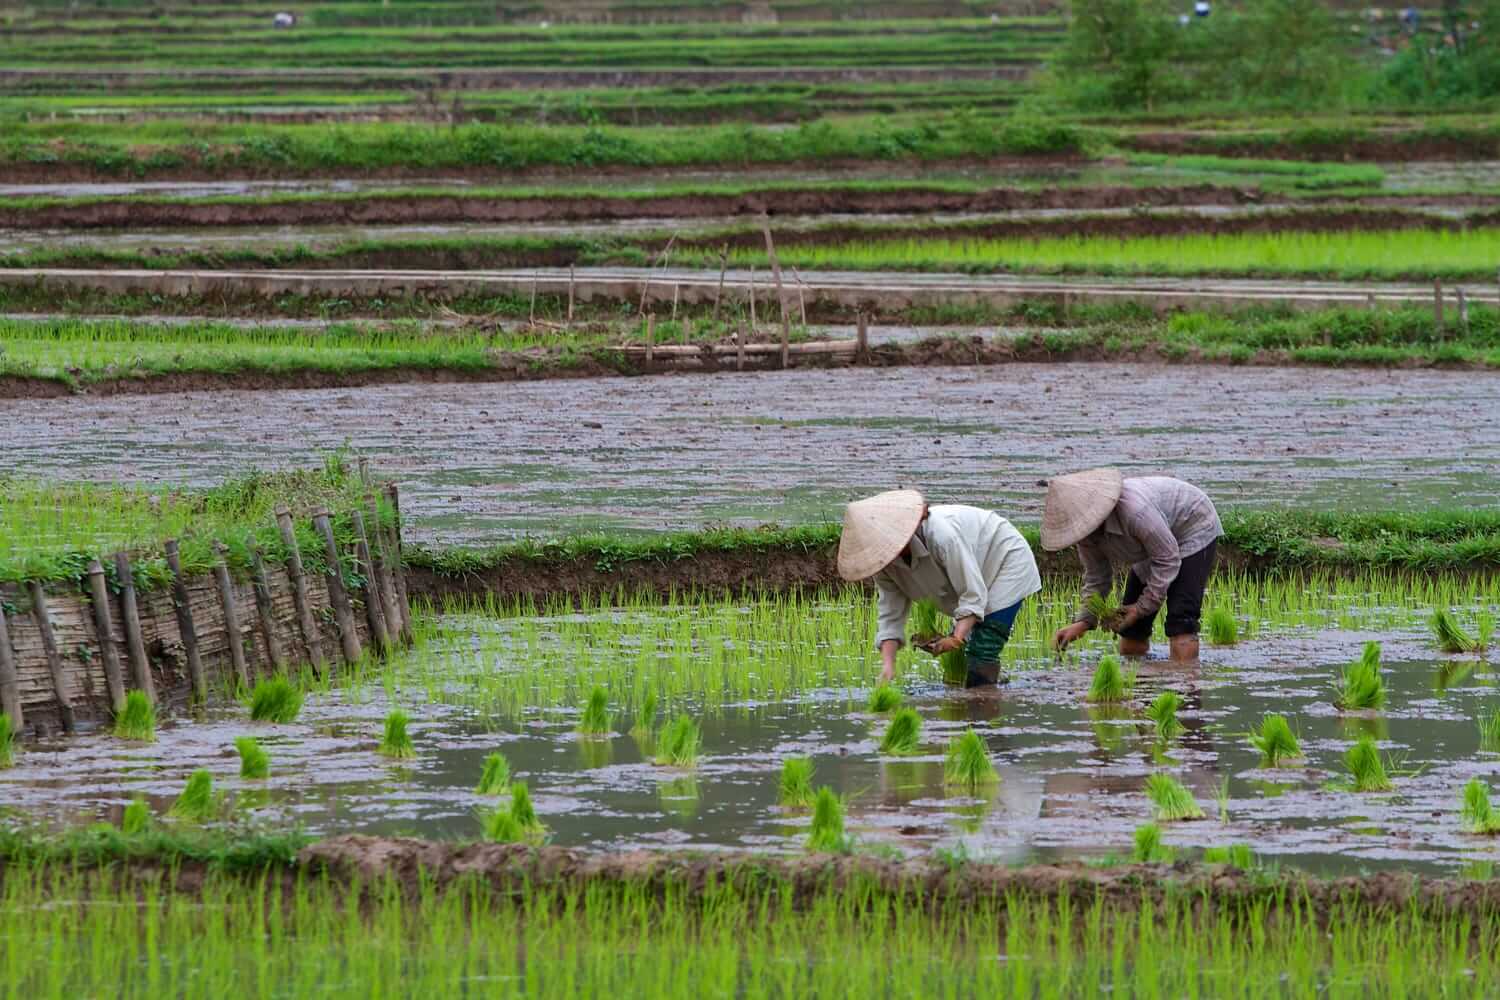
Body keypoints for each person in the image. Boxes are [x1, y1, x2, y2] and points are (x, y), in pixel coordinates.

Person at [837, 490, 1041, 687]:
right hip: (975, 570)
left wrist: (955, 638)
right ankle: (986, 689)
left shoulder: (942, 537)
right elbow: (891, 614)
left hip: (1004, 558)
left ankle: (983, 705)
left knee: (983, 646)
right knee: (958, 660)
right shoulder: (884, 565)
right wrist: (888, 667)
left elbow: (971, 593)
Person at [1042, 468, 1222, 664]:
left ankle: (1185, 686)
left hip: (1191, 525)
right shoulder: (1086, 536)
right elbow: (1097, 578)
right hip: (1154, 541)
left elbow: (1167, 559)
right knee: (1131, 630)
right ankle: (1138, 688)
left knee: (1181, 620)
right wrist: (1084, 622)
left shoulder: (1136, 513)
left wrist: (1139, 608)